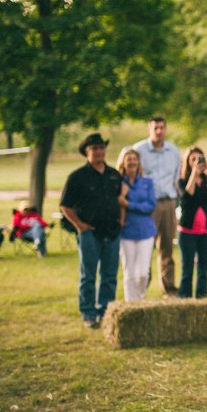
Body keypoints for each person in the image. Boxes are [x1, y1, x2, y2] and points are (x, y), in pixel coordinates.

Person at [60, 133, 122, 328]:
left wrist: (120, 221)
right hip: (89, 233)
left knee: (109, 275)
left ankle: (105, 311)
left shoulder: (114, 175)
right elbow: (65, 205)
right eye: (94, 148)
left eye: (101, 147)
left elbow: (119, 200)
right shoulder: (77, 177)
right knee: (88, 275)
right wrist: (79, 225)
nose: (98, 151)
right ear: (86, 152)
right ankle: (88, 312)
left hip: (111, 232)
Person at [134, 116, 181, 297]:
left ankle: (168, 288)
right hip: (148, 205)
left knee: (167, 247)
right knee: (146, 246)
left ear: (166, 129)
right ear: (149, 128)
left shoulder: (173, 151)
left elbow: (176, 177)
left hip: (168, 202)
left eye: (162, 128)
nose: (159, 131)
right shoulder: (140, 150)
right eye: (156, 128)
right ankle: (141, 287)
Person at [177, 146, 207, 299]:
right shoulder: (182, 181)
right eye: (193, 159)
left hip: (206, 231)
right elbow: (188, 195)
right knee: (187, 267)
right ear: (188, 162)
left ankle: (201, 296)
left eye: (199, 159)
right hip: (187, 231)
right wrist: (194, 174)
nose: (197, 162)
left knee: (203, 267)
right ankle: (185, 297)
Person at [117, 148, 157, 302]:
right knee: (130, 272)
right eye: (129, 159)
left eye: (135, 159)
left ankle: (140, 299)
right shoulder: (120, 183)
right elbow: (116, 203)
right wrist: (121, 197)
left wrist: (129, 204)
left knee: (142, 273)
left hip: (145, 231)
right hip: (127, 231)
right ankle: (131, 304)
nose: (132, 162)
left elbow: (150, 205)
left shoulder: (147, 182)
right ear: (123, 163)